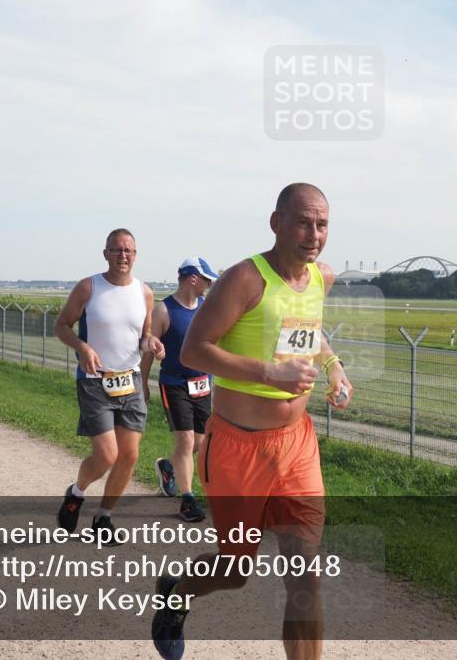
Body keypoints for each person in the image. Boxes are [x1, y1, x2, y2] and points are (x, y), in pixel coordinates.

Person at [152, 183, 352, 660]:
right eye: (303, 221)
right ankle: (176, 593)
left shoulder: (320, 278)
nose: (314, 234)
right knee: (236, 569)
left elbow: (306, 332)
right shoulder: (244, 278)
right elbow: (193, 350)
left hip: (296, 445)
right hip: (239, 449)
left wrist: (333, 366)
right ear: (276, 222)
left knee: (305, 573)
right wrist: (268, 372)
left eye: (322, 224)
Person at [54, 229, 165, 539]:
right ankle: (76, 492)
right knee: (106, 455)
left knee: (128, 455)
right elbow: (61, 326)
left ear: (136, 255)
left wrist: (152, 343)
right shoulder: (89, 287)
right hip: (94, 382)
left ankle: (103, 518)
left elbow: (142, 336)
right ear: (106, 254)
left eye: (128, 250)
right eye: (116, 250)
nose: (123, 255)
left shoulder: (144, 292)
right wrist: (83, 347)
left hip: (129, 382)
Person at [140, 256, 220, 523]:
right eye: (207, 279)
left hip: (202, 383)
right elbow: (149, 351)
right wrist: (143, 385)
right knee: (185, 441)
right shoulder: (164, 311)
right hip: (174, 383)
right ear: (193, 279)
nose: (209, 284)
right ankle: (187, 500)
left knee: (199, 441)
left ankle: (168, 467)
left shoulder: (207, 309)